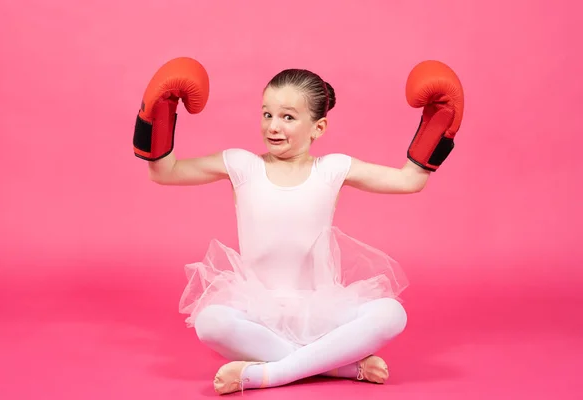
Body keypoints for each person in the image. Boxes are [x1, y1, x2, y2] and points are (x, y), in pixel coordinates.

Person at [133, 57, 464, 395]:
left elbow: (409, 180)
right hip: (257, 310)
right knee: (210, 323)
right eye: (267, 114)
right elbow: (164, 171)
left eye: (288, 117)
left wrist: (439, 122)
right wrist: (158, 112)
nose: (273, 127)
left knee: (392, 314)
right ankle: (337, 367)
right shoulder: (242, 165)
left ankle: (272, 374)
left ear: (317, 128)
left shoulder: (332, 169)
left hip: (321, 309)